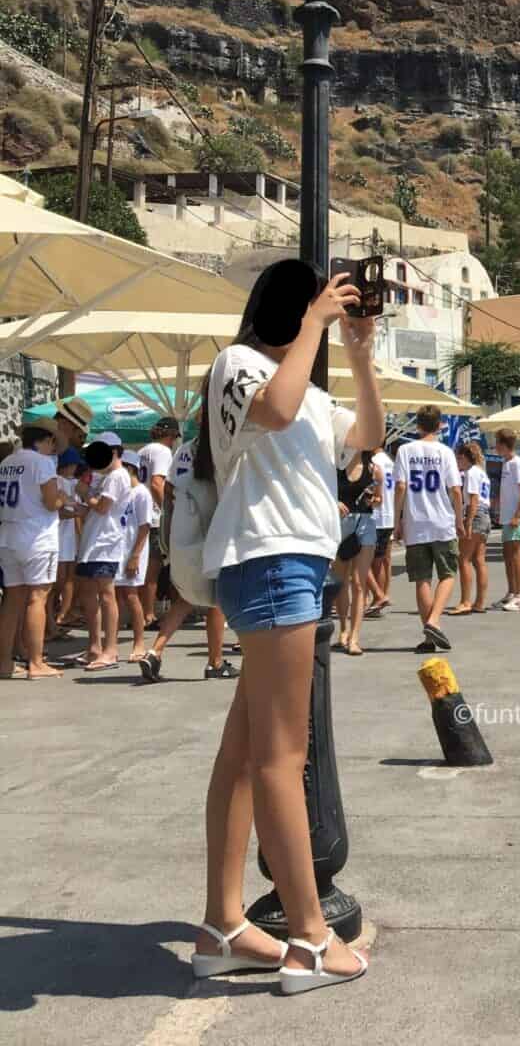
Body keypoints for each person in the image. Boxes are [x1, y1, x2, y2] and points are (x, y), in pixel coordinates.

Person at [193, 258, 381, 992]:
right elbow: (269, 410)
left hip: (293, 565)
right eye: (316, 304)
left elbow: (365, 434)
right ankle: (307, 934)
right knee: (281, 755)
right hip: (270, 563)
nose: (329, 314)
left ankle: (222, 925)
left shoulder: (306, 388)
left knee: (246, 753)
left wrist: (361, 352)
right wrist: (314, 324)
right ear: (290, 308)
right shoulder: (237, 365)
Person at [141, 420, 233, 682]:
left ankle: (155, 650)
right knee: (217, 597)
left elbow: (168, 489)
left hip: (182, 534)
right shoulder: (220, 448)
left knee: (188, 596)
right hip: (211, 531)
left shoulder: (183, 451)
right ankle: (215, 662)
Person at [394, 406, 464, 652]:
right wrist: (459, 519)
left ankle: (429, 637)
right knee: (447, 574)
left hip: (415, 522)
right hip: (442, 521)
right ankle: (434, 621)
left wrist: (397, 521)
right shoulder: (445, 452)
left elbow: (400, 486)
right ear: (440, 426)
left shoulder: (404, 450)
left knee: (421, 579)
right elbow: (455, 489)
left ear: (418, 426)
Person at [0, 423, 67, 678]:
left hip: (8, 534)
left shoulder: (7, 462)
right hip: (36, 536)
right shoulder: (42, 463)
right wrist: (64, 498)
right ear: (46, 440)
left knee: (12, 600)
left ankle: (4, 662)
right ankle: (36, 662)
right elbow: (51, 503)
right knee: (38, 597)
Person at [75, 433, 133, 671]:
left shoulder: (117, 476)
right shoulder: (106, 476)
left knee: (106, 595)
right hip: (93, 543)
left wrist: (87, 495)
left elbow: (102, 507)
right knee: (88, 593)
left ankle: (110, 649)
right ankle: (94, 646)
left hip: (105, 543)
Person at [332, 454, 376, 656]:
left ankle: (355, 637)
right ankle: (343, 629)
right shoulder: (333, 465)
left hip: (365, 524)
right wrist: (333, 502)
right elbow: (321, 491)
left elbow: (379, 500)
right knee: (340, 582)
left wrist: (375, 499)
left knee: (359, 583)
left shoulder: (374, 469)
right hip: (340, 525)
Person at [139, 416, 180, 626]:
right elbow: (157, 483)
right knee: (153, 568)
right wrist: (168, 508)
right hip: (155, 516)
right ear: (170, 435)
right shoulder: (163, 452)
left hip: (141, 514)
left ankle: (141, 613)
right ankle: (148, 614)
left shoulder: (142, 451)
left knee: (143, 567)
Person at [116, 450, 154, 662]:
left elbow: (144, 526)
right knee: (116, 596)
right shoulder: (121, 492)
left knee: (131, 596)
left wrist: (135, 555)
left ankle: (139, 642)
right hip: (117, 550)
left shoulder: (141, 493)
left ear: (129, 468)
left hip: (133, 551)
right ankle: (110, 643)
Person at [450, 440, 491, 615]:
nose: (458, 462)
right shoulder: (482, 473)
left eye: (459, 458)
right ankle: (480, 601)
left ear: (467, 458)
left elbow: (473, 499)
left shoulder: (471, 473)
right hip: (485, 514)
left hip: (475, 514)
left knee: (464, 559)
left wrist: (467, 522)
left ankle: (465, 600)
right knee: (478, 560)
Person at [50, 445, 85, 636]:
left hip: (68, 537)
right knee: (60, 580)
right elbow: (60, 511)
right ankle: (60, 614)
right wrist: (77, 513)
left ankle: (63, 613)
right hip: (60, 537)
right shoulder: (60, 481)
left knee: (67, 578)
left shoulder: (70, 482)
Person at [495, 428, 520, 610]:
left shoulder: (517, 463)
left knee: (516, 554)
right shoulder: (506, 463)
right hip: (507, 516)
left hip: (515, 516)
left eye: (496, 443)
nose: (495, 447)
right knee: (508, 554)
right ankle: (511, 591)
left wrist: (517, 514)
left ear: (503, 444)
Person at [365, 443, 396, 616]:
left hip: (376, 515)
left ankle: (377, 597)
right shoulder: (390, 461)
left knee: (366, 562)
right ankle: (382, 596)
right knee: (382, 560)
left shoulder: (374, 462)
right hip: (389, 515)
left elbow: (374, 491)